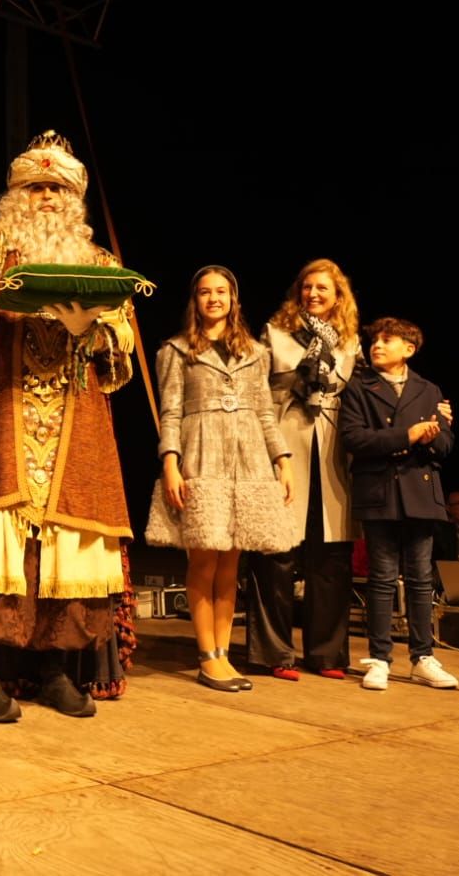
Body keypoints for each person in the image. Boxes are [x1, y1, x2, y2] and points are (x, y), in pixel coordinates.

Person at [0, 72, 135, 722]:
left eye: (55, 188)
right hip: (2, 416)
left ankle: (51, 670)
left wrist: (92, 327)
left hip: (72, 421)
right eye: (33, 187)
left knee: (63, 552)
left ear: (72, 198)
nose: (44, 197)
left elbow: (117, 348)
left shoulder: (97, 263)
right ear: (16, 194)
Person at [146, 265, 293, 691]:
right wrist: (170, 462)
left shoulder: (255, 353)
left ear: (233, 299)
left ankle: (225, 654)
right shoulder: (176, 351)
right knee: (204, 561)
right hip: (201, 459)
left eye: (222, 292)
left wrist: (281, 460)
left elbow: (266, 412)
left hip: (247, 464)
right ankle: (206, 655)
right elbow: (170, 412)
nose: (214, 299)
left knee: (231, 565)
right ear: (195, 301)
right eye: (206, 292)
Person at [250, 258, 360, 681]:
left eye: (323, 289)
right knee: (276, 554)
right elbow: (258, 394)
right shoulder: (275, 335)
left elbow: (366, 397)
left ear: (338, 297)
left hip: (333, 454)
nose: (314, 294)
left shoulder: (350, 343)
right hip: (285, 445)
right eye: (308, 287)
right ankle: (274, 653)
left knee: (331, 555)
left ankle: (327, 654)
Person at [338, 316, 459, 691]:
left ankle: (423, 657)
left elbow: (446, 446)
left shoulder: (428, 389)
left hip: (420, 492)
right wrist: (407, 434)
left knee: (422, 579)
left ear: (409, 349)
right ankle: (380, 658)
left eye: (387, 340)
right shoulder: (359, 388)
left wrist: (434, 434)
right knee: (382, 579)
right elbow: (354, 439)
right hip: (379, 491)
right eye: (374, 340)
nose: (377, 345)